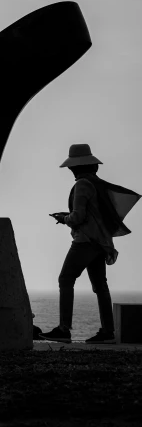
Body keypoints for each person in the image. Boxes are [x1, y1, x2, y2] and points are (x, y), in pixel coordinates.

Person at [40, 144, 140, 345]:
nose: (70, 170)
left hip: (85, 241)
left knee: (65, 279)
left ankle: (63, 330)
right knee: (100, 286)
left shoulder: (82, 184)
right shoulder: (97, 184)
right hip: (100, 242)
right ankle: (108, 332)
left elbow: (78, 217)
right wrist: (68, 217)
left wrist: (64, 218)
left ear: (76, 167)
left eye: (71, 167)